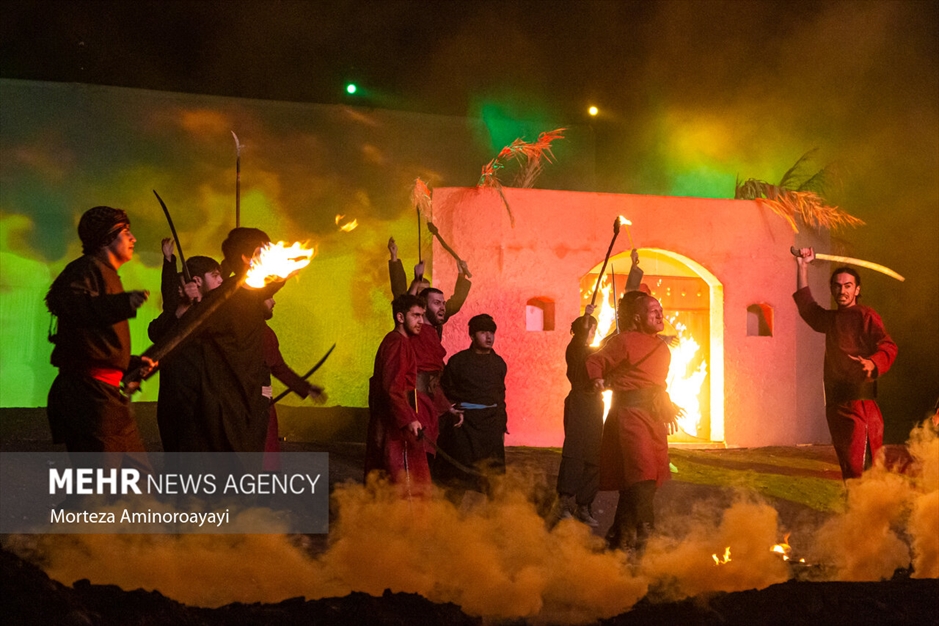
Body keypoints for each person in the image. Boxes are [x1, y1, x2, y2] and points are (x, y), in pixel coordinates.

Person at [45, 206, 155, 463]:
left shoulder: (104, 273)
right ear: (107, 237)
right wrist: (120, 304)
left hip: (108, 399)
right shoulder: (86, 269)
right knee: (98, 491)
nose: (133, 239)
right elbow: (68, 304)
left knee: (137, 485)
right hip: (89, 400)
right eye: (125, 232)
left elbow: (90, 338)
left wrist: (129, 363)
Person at [586, 294, 680, 553]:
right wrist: (597, 380)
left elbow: (658, 384)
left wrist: (666, 406)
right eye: (653, 311)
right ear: (637, 318)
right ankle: (646, 532)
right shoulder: (623, 341)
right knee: (642, 473)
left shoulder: (662, 347)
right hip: (630, 414)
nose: (660, 315)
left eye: (661, 309)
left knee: (648, 476)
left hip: (654, 415)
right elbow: (595, 361)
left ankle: (619, 538)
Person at [793, 248, 898, 480]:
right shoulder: (830, 320)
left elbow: (888, 346)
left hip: (861, 406)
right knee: (849, 472)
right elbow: (807, 307)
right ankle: (856, 513)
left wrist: (873, 362)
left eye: (848, 285)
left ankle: (869, 515)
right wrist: (802, 265)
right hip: (836, 407)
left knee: (863, 471)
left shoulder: (865, 315)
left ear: (857, 290)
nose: (842, 290)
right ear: (832, 289)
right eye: (838, 286)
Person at [181, 227, 287, 453]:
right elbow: (182, 336)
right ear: (247, 258)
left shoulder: (251, 292)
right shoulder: (222, 301)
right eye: (262, 250)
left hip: (249, 399)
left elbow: (277, 280)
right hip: (225, 405)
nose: (269, 255)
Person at [149, 253, 223, 452]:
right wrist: (182, 308)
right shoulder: (177, 312)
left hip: (205, 404)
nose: (221, 280)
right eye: (216, 275)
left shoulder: (216, 312)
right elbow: (156, 332)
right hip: (175, 402)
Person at [364, 294, 431, 496]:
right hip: (394, 425)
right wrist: (409, 419)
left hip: (395, 419)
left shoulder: (400, 342)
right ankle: (401, 523)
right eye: (416, 315)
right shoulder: (397, 343)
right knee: (401, 477)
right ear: (401, 317)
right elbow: (392, 387)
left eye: (422, 316)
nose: (421, 321)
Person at [436, 314, 508, 492]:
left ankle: (489, 517)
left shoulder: (499, 363)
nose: (489, 337)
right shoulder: (458, 362)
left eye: (491, 332)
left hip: (491, 424)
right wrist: (453, 411)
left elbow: (500, 395)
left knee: (492, 476)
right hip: (465, 424)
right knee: (460, 477)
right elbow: (447, 390)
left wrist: (502, 421)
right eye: (483, 332)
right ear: (472, 335)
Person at [553, 304, 604, 527]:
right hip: (578, 404)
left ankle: (584, 504)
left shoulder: (595, 352)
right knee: (574, 453)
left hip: (594, 405)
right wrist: (587, 315)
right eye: (591, 329)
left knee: (594, 455)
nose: (593, 333)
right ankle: (563, 502)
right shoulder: (574, 350)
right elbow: (583, 336)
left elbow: (613, 341)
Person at [261, 297, 324, 470]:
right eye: (268, 298)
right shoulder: (247, 332)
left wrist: (305, 387)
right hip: (247, 409)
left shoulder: (266, 334)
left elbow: (279, 368)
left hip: (260, 407)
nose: (273, 302)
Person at [388, 236, 471, 335]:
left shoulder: (435, 312)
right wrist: (394, 257)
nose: (425, 293)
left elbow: (456, 302)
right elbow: (398, 288)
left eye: (427, 289)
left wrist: (462, 274)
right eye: (421, 289)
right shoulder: (405, 311)